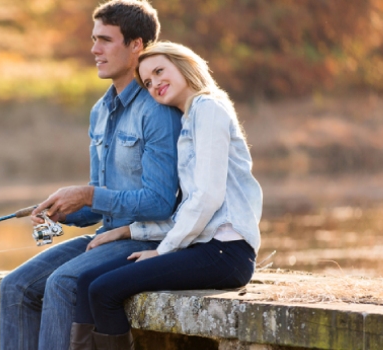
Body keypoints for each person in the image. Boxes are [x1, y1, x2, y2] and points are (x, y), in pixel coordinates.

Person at [0, 1, 183, 349]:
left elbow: (160, 202)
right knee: (15, 287)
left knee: (62, 282)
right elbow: (100, 201)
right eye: (93, 39)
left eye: (105, 40)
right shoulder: (100, 111)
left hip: (148, 240)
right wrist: (62, 211)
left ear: (136, 46)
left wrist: (87, 195)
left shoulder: (157, 111)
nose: (94, 49)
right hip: (106, 235)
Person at [69, 41, 263, 350]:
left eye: (160, 71)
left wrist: (164, 250)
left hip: (227, 252)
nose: (154, 83)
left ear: (184, 65)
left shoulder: (208, 107)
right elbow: (187, 208)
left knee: (104, 290)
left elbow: (208, 196)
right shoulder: (188, 119)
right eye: (147, 82)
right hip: (205, 249)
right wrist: (127, 231)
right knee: (86, 282)